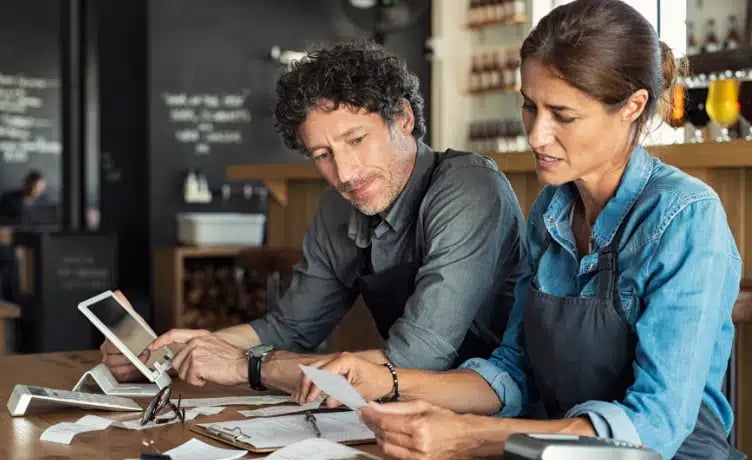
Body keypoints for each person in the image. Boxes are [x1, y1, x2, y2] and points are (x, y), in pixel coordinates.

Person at [294, 1, 744, 459]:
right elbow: (513, 370)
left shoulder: (686, 218)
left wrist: (470, 436)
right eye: (530, 107)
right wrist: (388, 381)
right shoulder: (552, 209)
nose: (536, 134)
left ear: (633, 106)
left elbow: (656, 424)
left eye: (563, 115)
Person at [101, 41, 527, 394]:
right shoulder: (337, 208)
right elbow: (290, 327)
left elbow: (415, 358)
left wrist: (246, 367)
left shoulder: (468, 188)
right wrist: (179, 351)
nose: (345, 173)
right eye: (323, 155)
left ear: (403, 118)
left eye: (356, 139)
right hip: (408, 411)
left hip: (499, 412)